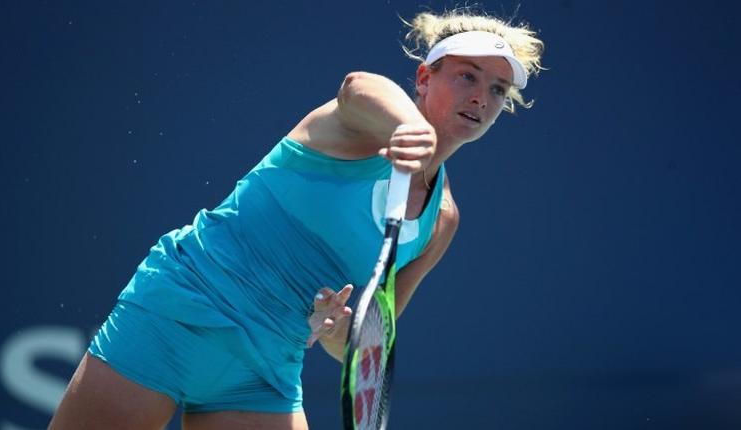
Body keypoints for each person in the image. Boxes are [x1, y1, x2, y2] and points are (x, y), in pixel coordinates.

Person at [49, 7, 543, 430]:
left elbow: (365, 341)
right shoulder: (357, 124)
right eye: (467, 76)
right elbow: (356, 87)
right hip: (176, 313)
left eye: (498, 89)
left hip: (266, 367)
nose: (481, 96)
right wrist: (410, 129)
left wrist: (334, 330)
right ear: (423, 77)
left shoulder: (441, 223)